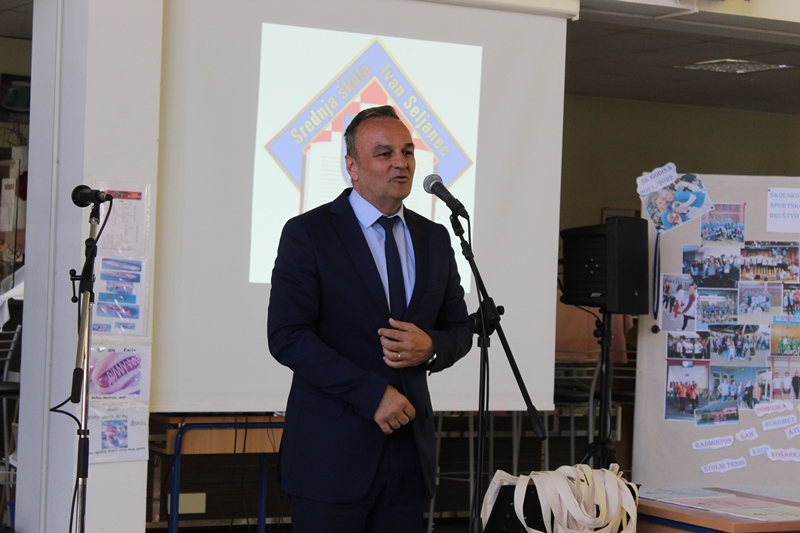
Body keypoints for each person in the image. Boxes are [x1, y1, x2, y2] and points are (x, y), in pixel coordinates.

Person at [267, 105, 473, 533]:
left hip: (409, 456)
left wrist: (431, 346)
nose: (401, 163)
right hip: (330, 457)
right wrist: (371, 394)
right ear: (352, 167)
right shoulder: (309, 233)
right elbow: (287, 335)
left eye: (407, 152)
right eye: (384, 153)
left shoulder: (435, 238)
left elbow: (459, 329)